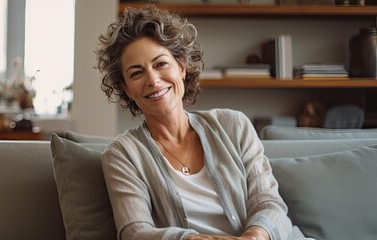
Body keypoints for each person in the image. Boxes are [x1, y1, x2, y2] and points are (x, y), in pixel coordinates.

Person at [95, 6, 308, 240]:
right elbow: (135, 232)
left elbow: (269, 203)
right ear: (126, 89)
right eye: (136, 73)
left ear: (182, 67)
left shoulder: (233, 125)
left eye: (161, 64)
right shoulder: (123, 154)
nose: (153, 80)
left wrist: (253, 237)